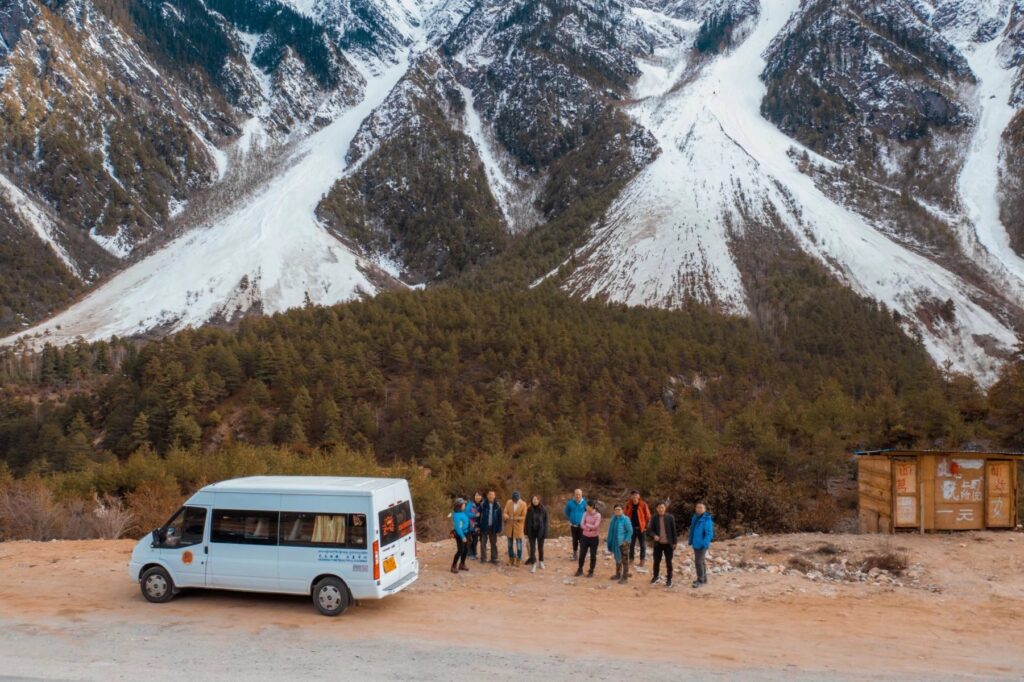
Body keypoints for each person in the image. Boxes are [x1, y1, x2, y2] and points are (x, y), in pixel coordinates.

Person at [646, 501, 678, 587]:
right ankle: (656, 576)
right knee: (656, 561)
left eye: (662, 507)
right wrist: (654, 535)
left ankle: (669, 579)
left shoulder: (670, 518)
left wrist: (675, 542)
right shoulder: (653, 518)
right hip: (658, 544)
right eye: (659, 507)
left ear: (665, 508)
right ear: (656, 509)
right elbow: (649, 530)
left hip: (668, 544)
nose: (661, 509)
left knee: (669, 562)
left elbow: (674, 530)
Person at [688, 501, 714, 588]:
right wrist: (691, 540)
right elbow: (692, 530)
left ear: (705, 509)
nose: (699, 509)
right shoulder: (695, 517)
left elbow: (709, 533)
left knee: (698, 562)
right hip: (696, 543)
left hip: (702, 545)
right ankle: (704, 578)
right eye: (697, 507)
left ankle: (700, 580)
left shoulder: (707, 519)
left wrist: (705, 543)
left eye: (701, 507)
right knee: (701, 562)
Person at [606, 503, 633, 584]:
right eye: (616, 509)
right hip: (615, 543)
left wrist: (626, 541)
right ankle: (618, 574)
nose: (617, 511)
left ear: (622, 510)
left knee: (625, 560)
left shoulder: (625, 519)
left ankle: (625, 578)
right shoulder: (613, 519)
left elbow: (630, 531)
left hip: (623, 543)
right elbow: (611, 531)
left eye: (619, 509)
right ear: (614, 511)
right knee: (618, 559)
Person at [623, 490, 651, 567]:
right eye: (633, 495)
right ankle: (631, 559)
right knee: (631, 545)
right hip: (631, 529)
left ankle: (642, 560)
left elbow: (648, 516)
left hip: (641, 528)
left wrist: (646, 527)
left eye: (636, 495)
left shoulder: (643, 505)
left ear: (639, 496)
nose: (634, 496)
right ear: (631, 497)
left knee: (643, 545)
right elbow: (624, 516)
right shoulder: (628, 505)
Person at [574, 499, 601, 578]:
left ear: (592, 507)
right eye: (586, 506)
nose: (586, 507)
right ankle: (580, 569)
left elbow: (596, 526)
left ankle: (591, 570)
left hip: (594, 538)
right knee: (582, 554)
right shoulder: (585, 513)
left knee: (593, 555)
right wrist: (589, 528)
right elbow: (582, 524)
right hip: (584, 537)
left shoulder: (598, 515)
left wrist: (587, 525)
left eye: (587, 506)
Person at [524, 495, 549, 573]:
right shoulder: (529, 509)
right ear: (532, 500)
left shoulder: (543, 509)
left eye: (536, 499)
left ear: (539, 500)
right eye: (533, 499)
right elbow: (526, 521)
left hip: (540, 531)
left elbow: (546, 522)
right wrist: (526, 532)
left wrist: (545, 532)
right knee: (532, 548)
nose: (535, 501)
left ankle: (541, 561)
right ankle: (534, 563)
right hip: (531, 531)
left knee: (540, 548)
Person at [478, 490, 503, 564]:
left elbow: (500, 518)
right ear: (487, 496)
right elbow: (479, 516)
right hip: (484, 526)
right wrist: (478, 526)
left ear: (494, 496)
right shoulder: (482, 504)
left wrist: (499, 528)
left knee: (493, 543)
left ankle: (494, 558)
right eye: (489, 494)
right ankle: (483, 558)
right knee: (483, 543)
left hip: (493, 527)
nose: (491, 496)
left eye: (492, 495)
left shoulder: (498, 505)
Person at [504, 491, 528, 566]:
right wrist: (505, 516)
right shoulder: (508, 502)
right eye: (513, 499)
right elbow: (505, 512)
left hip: (518, 527)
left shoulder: (523, 504)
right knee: (509, 544)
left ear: (519, 498)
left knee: (519, 544)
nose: (514, 501)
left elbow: (524, 516)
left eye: (516, 499)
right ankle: (511, 558)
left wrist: (515, 518)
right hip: (509, 526)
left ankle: (519, 559)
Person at [563, 489, 587, 560]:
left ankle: (582, 555)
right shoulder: (570, 503)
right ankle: (575, 555)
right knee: (574, 540)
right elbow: (567, 512)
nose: (577, 496)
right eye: (576, 494)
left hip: (582, 526)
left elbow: (587, 513)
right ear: (574, 494)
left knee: (582, 541)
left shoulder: (584, 503)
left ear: (581, 495)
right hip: (573, 526)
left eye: (579, 494)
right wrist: (571, 518)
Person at [451, 498, 471, 574]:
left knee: (465, 550)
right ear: (459, 505)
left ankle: (462, 564)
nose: (464, 505)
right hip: (460, 535)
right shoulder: (457, 515)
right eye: (463, 504)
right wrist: (463, 537)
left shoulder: (462, 512)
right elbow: (458, 528)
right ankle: (453, 566)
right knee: (460, 550)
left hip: (466, 533)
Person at [466, 492, 483, 559]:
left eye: (479, 495)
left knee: (475, 540)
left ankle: (474, 552)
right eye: (476, 495)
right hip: (470, 524)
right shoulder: (470, 504)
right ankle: (469, 554)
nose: (478, 497)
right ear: (474, 496)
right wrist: (474, 515)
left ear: (481, 497)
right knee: (470, 539)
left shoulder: (482, 504)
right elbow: (466, 513)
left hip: (478, 525)